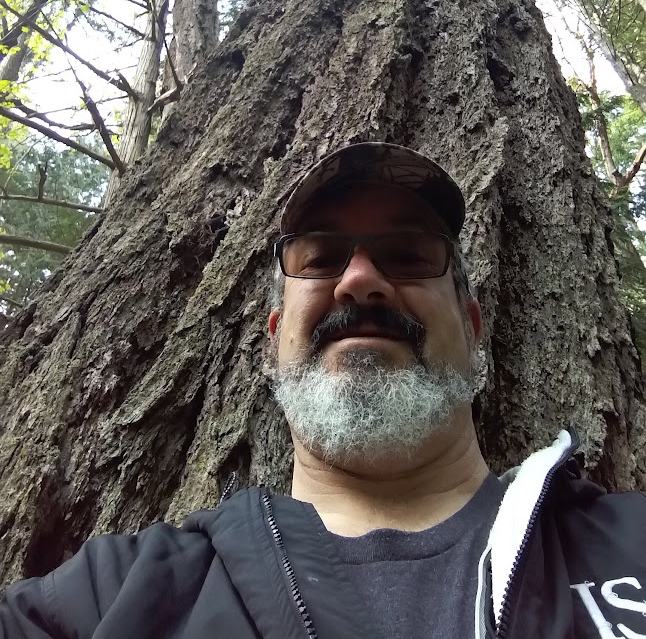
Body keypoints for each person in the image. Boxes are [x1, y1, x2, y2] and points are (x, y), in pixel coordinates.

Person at [1, 141, 645, 639]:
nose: (361, 281)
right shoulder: (116, 595)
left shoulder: (630, 544)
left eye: (409, 255)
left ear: (473, 331)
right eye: (321, 259)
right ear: (274, 341)